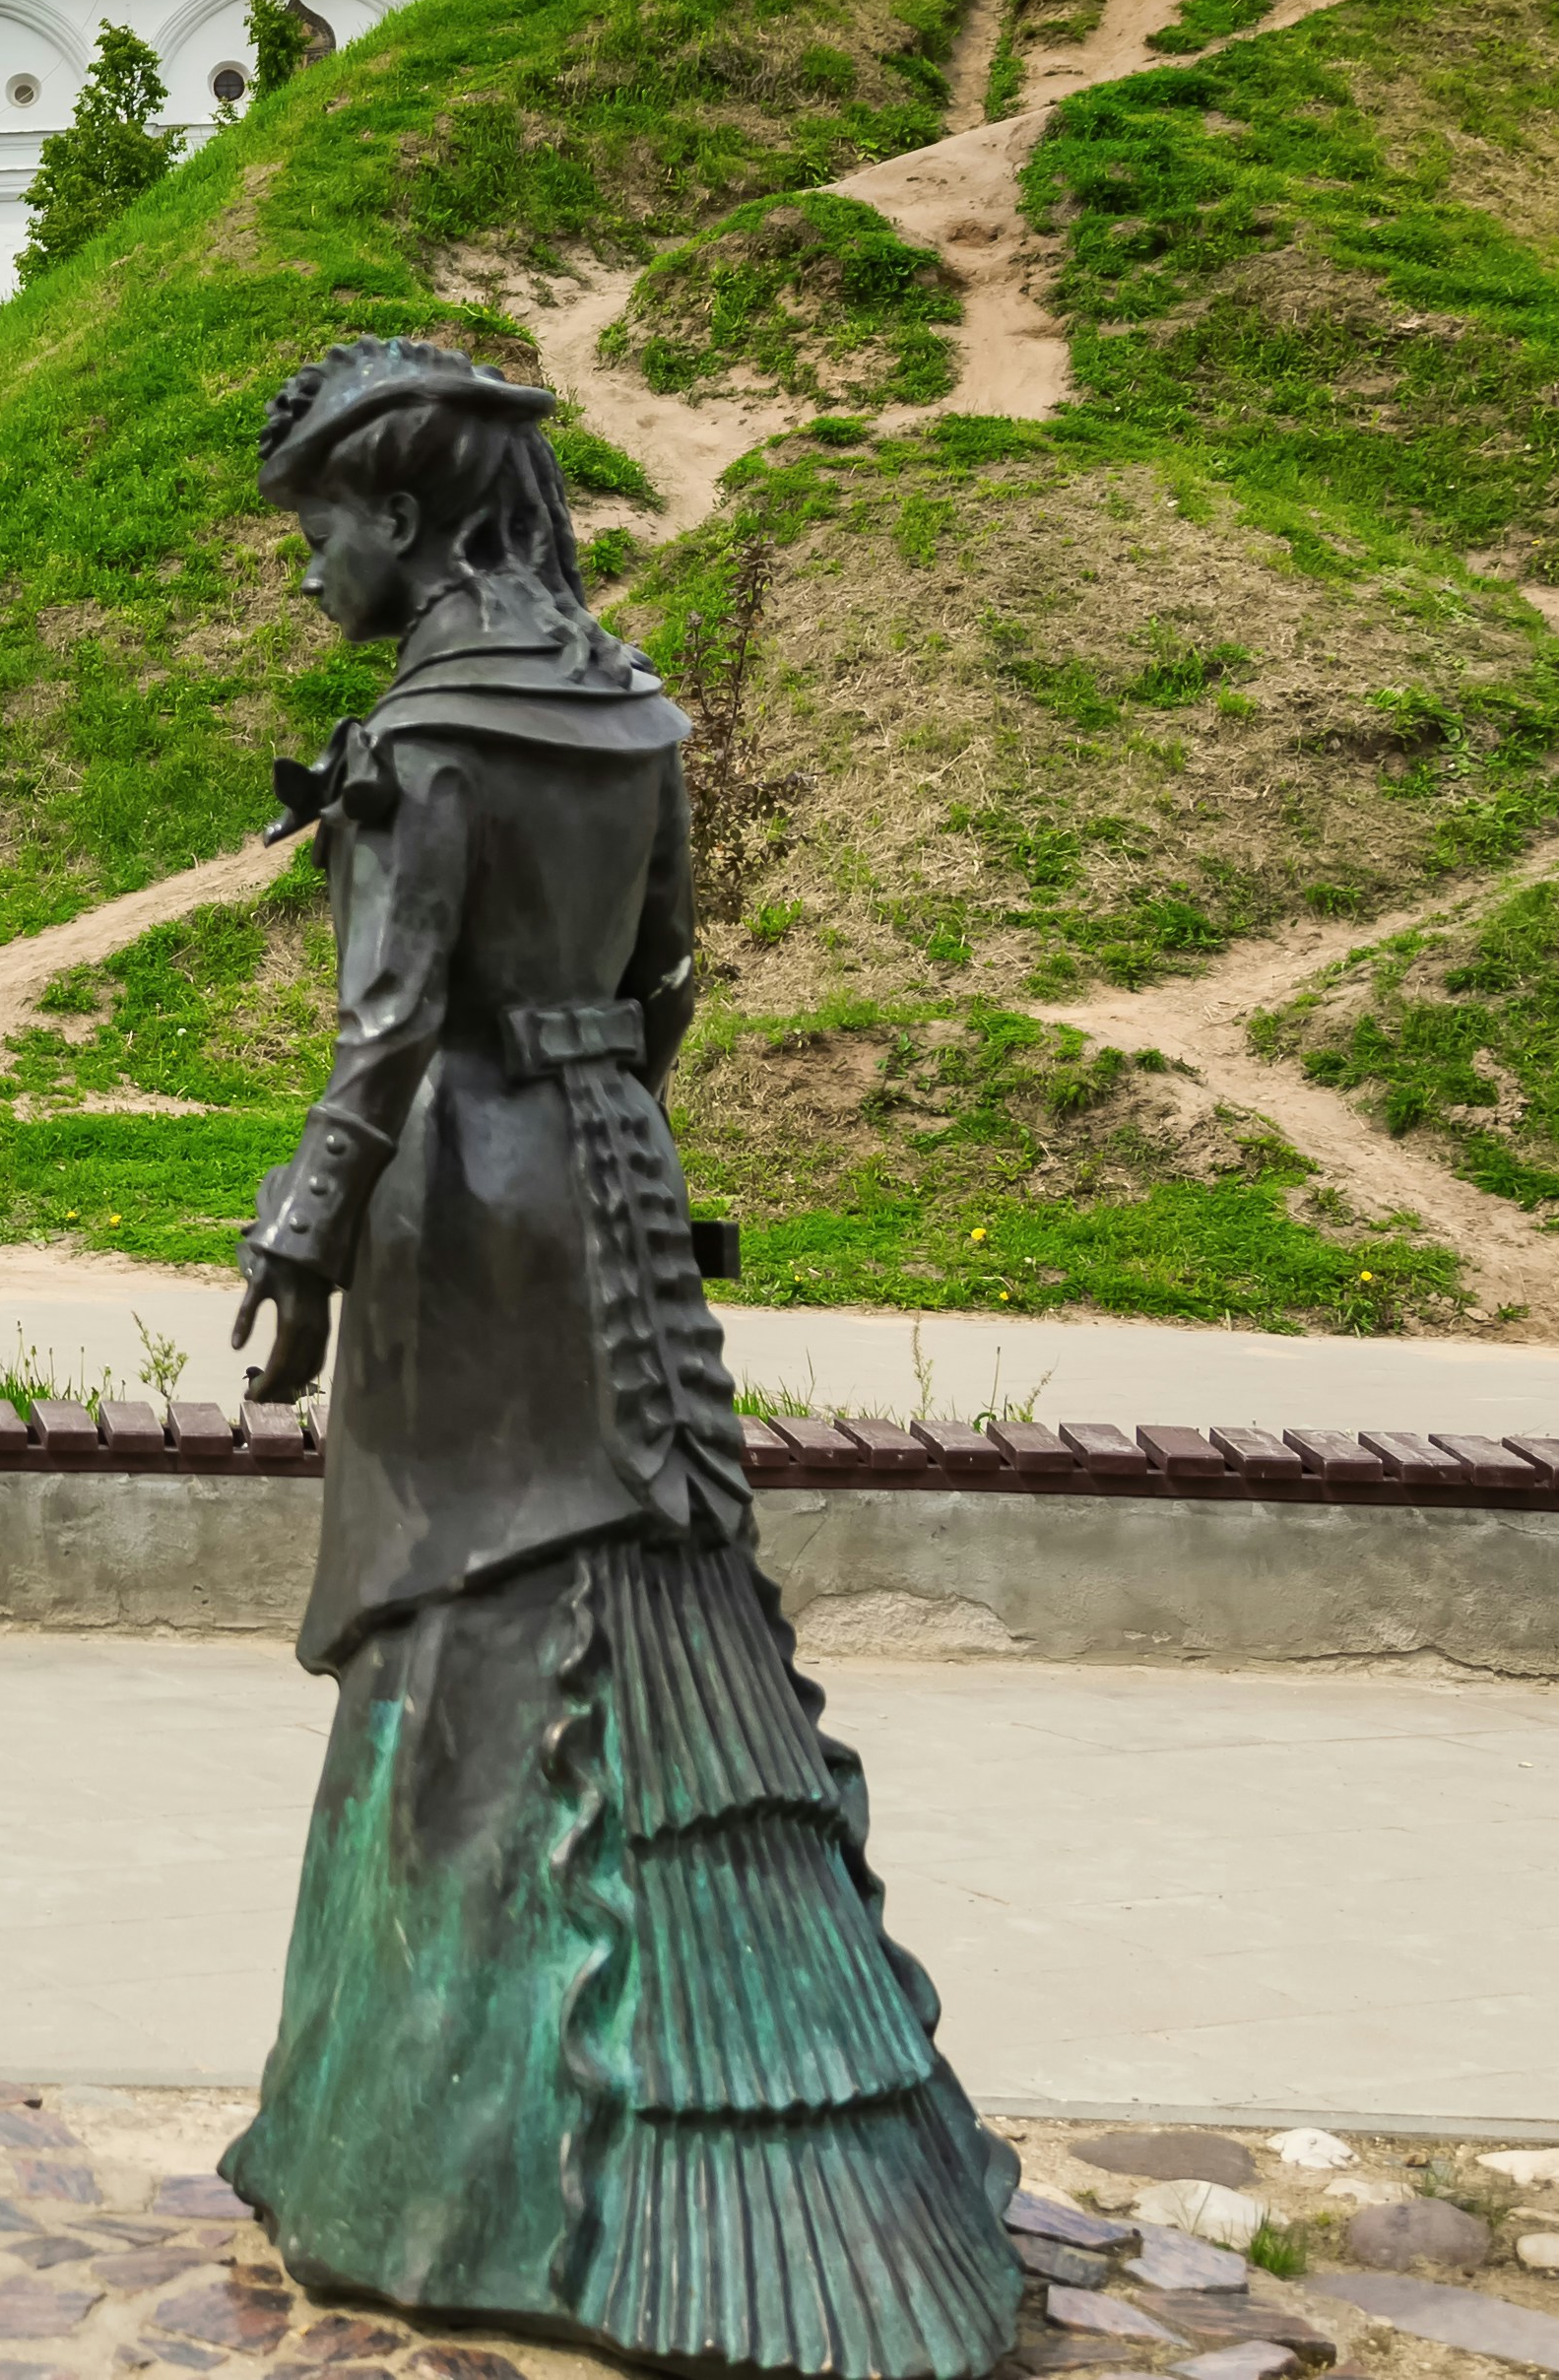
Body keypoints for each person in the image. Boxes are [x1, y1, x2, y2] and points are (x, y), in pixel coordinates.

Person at [222, 338, 1021, 2380]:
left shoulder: (429, 738)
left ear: (402, 514)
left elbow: (387, 1026)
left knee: (457, 1615)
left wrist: (301, 1237)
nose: (304, 564)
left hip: (460, 1200)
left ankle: (434, 2161)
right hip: (613, 1182)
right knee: (640, 1579)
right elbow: (664, 982)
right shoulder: (630, 709)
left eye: (316, 525)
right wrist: (600, 1119)